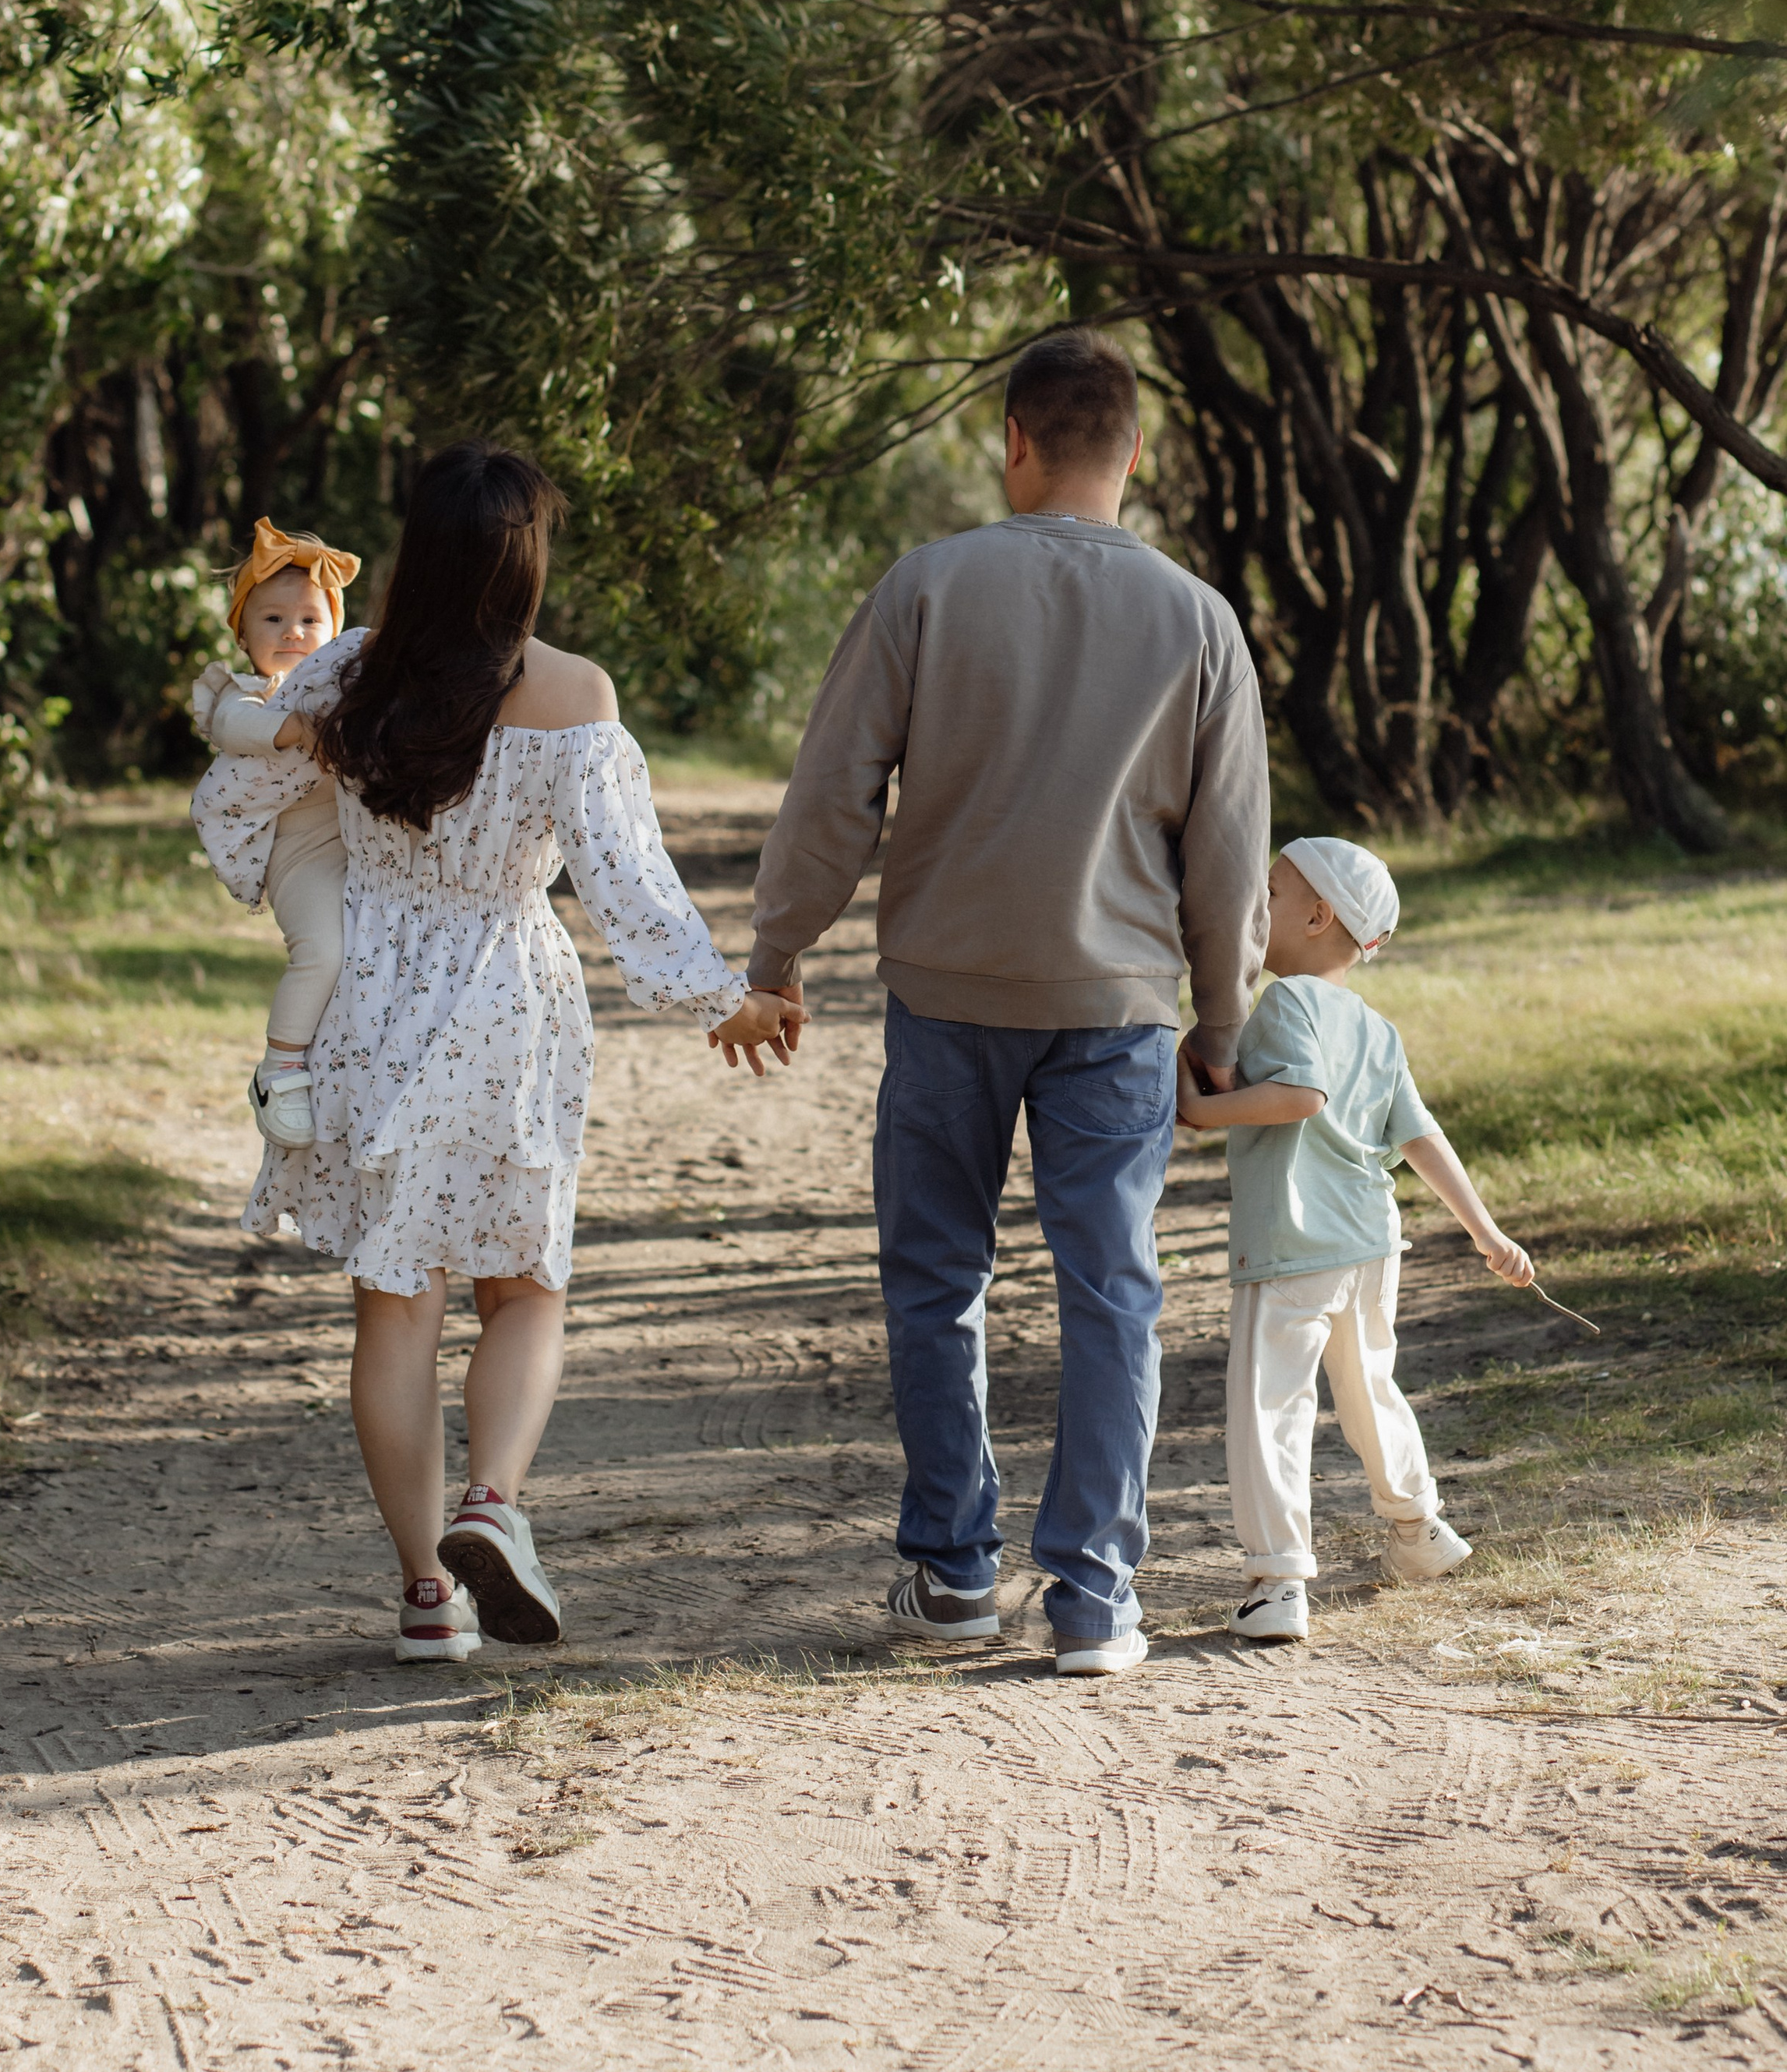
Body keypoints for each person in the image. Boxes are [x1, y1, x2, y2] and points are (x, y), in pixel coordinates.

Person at [219, 443, 801, 1664]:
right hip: (507, 1001)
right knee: (524, 1284)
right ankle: (495, 1505)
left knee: (396, 1303)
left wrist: (290, 888)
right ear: (527, 563)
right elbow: (631, 893)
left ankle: (429, 1595)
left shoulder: (345, 674)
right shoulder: (574, 697)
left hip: (370, 994)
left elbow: (241, 786)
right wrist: (725, 1000)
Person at [747, 326, 1271, 1676]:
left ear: (1016, 444)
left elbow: (834, 794)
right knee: (1114, 1291)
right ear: (1135, 452)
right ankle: (1095, 1596)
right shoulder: (1199, 619)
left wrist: (777, 953)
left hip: (946, 993)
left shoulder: (928, 585)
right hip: (1122, 1004)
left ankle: (952, 1574)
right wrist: (1220, 1023)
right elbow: (1223, 852)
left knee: (938, 1278)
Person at [1176, 835, 1534, 1645]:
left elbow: (1300, 1095)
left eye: (1266, 891)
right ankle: (1418, 1527)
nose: (1251, 905)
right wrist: (1485, 1230)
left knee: (1270, 1404)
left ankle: (1277, 1581)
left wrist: (1197, 1112)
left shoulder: (1288, 1003)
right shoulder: (1376, 1028)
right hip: (1370, 1245)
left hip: (1291, 1244)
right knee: (1371, 1388)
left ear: (1314, 915)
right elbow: (1421, 1137)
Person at [189, 519, 363, 1151]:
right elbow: (235, 728)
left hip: (365, 849)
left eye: (310, 621)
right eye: (272, 620)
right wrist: (293, 727)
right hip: (302, 858)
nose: (293, 632)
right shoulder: (247, 695)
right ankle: (281, 1069)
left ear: (337, 634)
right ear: (242, 633)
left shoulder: (349, 687)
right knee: (323, 950)